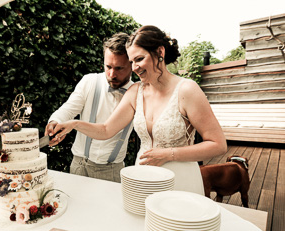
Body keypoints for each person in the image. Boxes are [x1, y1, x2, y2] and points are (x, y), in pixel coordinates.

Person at [51, 25, 227, 195]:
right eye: (132, 61)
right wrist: (73, 124)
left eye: (139, 59)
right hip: (142, 181)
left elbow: (218, 145)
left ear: (160, 52)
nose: (135, 67)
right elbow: (105, 130)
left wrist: (169, 154)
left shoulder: (187, 90)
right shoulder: (135, 91)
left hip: (179, 181)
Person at [45, 32, 134, 183]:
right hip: (78, 165)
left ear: (132, 64)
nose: (112, 74)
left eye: (119, 68)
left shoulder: (137, 92)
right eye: (108, 66)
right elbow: (69, 108)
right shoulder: (89, 81)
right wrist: (55, 121)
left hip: (111, 170)